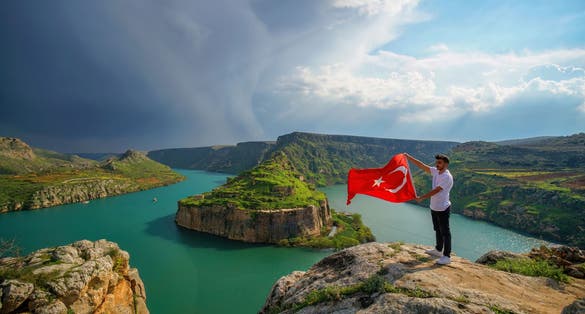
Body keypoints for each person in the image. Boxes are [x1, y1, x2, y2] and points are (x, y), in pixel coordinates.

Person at [404, 153, 454, 265]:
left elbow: (436, 190)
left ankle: (447, 256)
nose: (437, 164)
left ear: (445, 164)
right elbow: (422, 166)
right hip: (434, 207)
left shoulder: (447, 177)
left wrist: (422, 197)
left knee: (445, 232)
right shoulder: (436, 171)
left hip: (443, 208)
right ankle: (438, 250)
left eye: (439, 163)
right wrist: (408, 157)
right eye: (436, 162)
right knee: (437, 229)